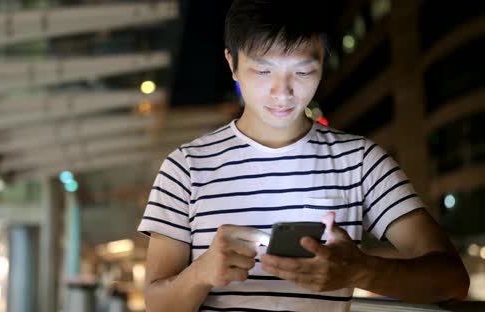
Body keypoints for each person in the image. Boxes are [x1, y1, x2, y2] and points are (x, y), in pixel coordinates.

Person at [137, 1, 470, 311]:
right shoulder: (186, 168)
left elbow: (452, 280)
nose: (282, 92)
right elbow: (155, 304)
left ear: (323, 64)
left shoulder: (361, 162)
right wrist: (201, 274)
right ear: (232, 63)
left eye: (302, 71)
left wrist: (359, 270)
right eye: (263, 70)